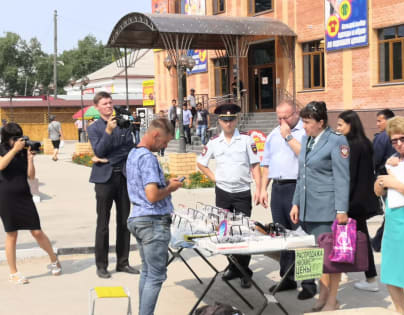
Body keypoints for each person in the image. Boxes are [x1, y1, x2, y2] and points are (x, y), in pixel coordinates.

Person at [290, 101, 350, 312]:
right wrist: (296, 202)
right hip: (308, 208)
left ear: (321, 122)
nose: (303, 126)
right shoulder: (307, 140)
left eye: (307, 122)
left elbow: (342, 178)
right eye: (303, 121)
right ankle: (323, 294)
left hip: (326, 209)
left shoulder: (337, 141)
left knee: (332, 258)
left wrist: (342, 210)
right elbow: (302, 175)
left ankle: (332, 300)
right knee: (319, 256)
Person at [197, 103, 261, 289]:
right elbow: (201, 163)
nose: (228, 123)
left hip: (242, 192)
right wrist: (215, 179)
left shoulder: (247, 141)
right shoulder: (214, 142)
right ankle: (233, 266)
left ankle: (244, 271)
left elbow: (255, 165)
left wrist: (258, 187)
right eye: (225, 120)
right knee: (224, 231)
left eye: (231, 119)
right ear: (219, 121)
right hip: (223, 192)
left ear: (237, 119)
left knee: (242, 231)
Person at [260, 99, 316, 300]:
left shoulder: (306, 131)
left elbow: (307, 158)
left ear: (296, 113)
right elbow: (266, 163)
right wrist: (262, 189)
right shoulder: (273, 135)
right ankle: (287, 277)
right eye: (279, 117)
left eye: (286, 116)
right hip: (279, 188)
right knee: (281, 233)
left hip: (299, 186)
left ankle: (309, 282)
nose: (282, 120)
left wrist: (289, 136)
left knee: (303, 234)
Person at [126, 118, 183, 315]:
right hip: (152, 221)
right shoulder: (148, 158)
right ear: (156, 135)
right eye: (165, 142)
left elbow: (144, 186)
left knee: (147, 272)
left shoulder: (133, 154)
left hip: (138, 218)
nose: (165, 146)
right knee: (156, 276)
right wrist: (170, 188)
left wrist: (164, 182)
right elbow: (152, 195)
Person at [0, 123, 61, 284]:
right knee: (11, 234)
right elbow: (1, 165)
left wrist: (30, 159)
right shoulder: (2, 149)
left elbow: (31, 177)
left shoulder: (22, 151)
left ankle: (54, 259)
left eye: (19, 136)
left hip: (24, 195)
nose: (18, 140)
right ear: (6, 139)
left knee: (36, 232)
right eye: (14, 138)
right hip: (5, 196)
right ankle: (13, 272)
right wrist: (14, 150)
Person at [87, 91, 139, 279]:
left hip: (123, 177)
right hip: (104, 180)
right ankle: (101, 265)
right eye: (105, 103)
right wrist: (108, 132)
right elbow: (99, 149)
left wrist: (106, 158)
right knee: (103, 223)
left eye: (110, 102)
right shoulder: (94, 128)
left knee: (124, 221)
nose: (109, 106)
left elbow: (129, 149)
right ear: (97, 107)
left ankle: (123, 262)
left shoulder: (123, 124)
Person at [374, 116, 404, 315]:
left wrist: (396, 184)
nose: (399, 144)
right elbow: (379, 191)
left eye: (403, 139)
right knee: (391, 276)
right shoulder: (393, 160)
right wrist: (380, 183)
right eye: (394, 141)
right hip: (393, 224)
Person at [336, 110, 379, 292]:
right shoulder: (365, 143)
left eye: (340, 125)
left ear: (350, 125)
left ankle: (369, 279)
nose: (337, 128)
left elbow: (349, 176)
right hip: (362, 200)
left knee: (351, 238)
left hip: (352, 201)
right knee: (356, 238)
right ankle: (363, 276)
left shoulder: (351, 145)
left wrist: (341, 204)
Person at [371, 109, 396, 253]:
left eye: (380, 120)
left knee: (391, 213)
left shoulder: (382, 137)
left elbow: (375, 160)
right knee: (392, 213)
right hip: (392, 181)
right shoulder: (394, 135)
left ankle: (377, 241)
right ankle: (378, 241)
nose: (377, 123)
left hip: (385, 179)